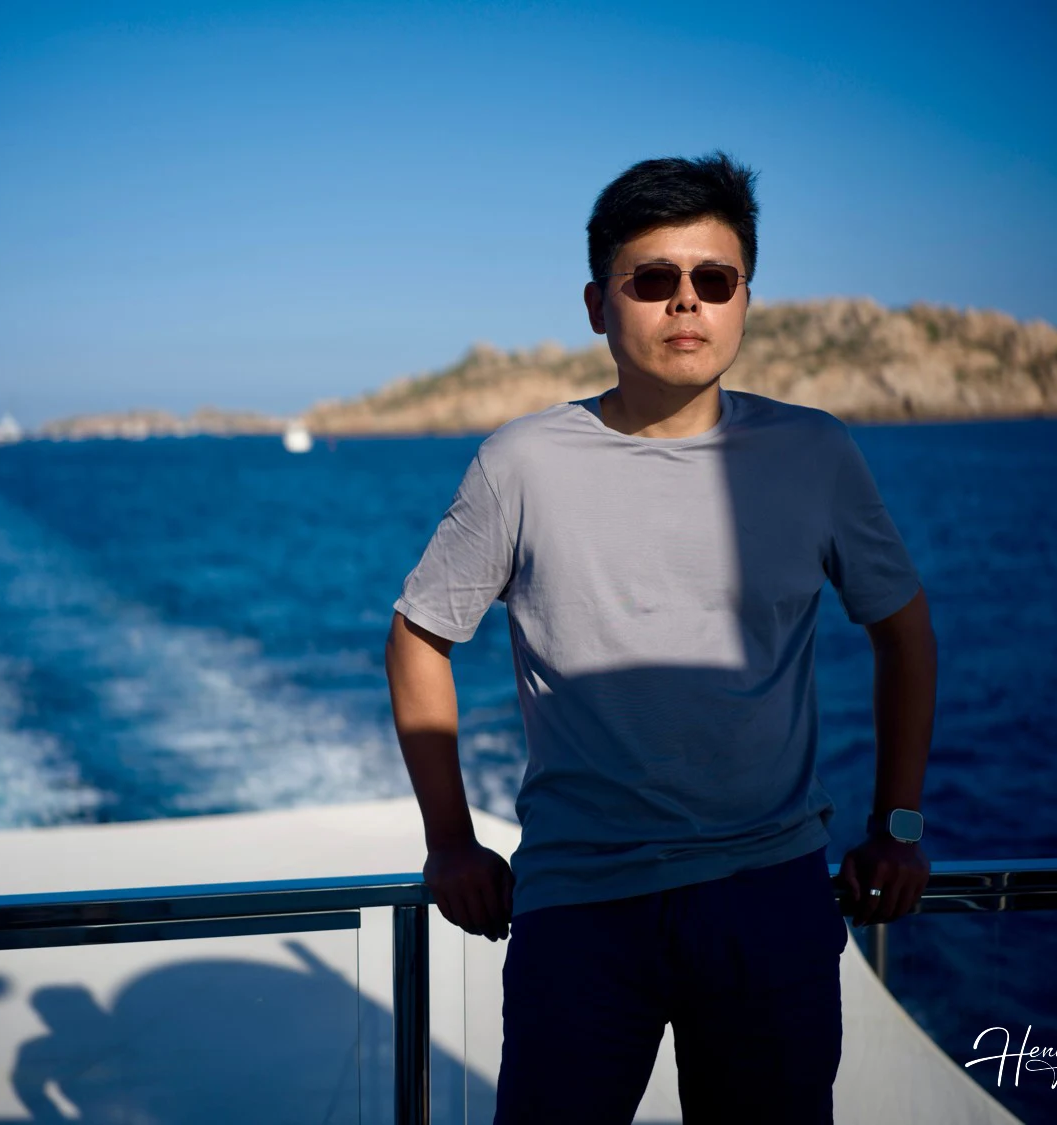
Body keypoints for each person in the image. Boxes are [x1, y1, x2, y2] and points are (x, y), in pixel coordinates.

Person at [383, 151, 936, 1124]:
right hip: (579, 907)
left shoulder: (814, 453)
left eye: (712, 281)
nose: (687, 304)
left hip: (771, 899)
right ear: (600, 304)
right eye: (654, 282)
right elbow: (421, 634)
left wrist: (898, 825)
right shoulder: (522, 463)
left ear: (743, 301)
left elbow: (905, 633)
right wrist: (450, 843)